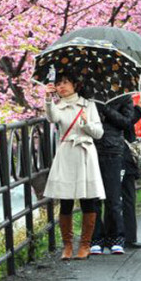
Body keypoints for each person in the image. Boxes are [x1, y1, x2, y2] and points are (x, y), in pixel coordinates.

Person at [43, 71, 104, 260]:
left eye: (65, 82)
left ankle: (85, 245)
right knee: (65, 200)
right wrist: (47, 98)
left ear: (75, 85)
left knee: (87, 200)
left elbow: (98, 133)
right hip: (67, 152)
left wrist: (86, 123)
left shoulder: (88, 105)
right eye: (58, 84)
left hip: (85, 153)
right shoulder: (58, 106)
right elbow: (52, 118)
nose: (61, 86)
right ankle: (67, 246)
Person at [91, 96, 136, 255]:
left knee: (113, 197)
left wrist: (105, 108)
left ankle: (116, 238)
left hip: (113, 149)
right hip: (90, 148)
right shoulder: (88, 95)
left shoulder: (124, 97)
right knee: (92, 197)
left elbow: (126, 122)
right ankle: (95, 238)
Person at [120, 103, 141, 250]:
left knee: (117, 198)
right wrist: (138, 112)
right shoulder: (127, 104)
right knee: (127, 197)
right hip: (123, 156)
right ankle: (128, 237)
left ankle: (121, 235)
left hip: (118, 155)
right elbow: (126, 123)